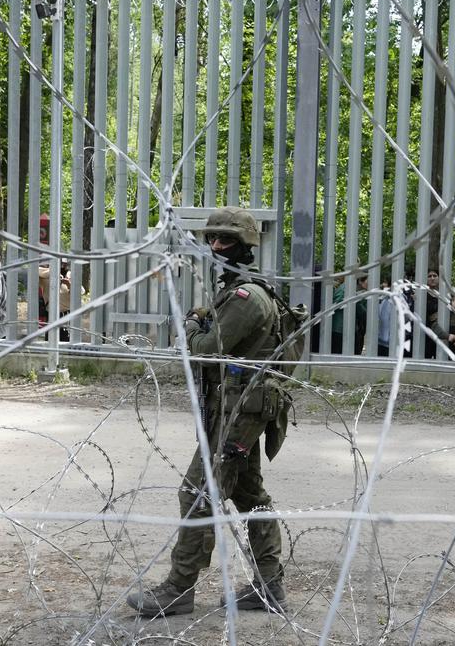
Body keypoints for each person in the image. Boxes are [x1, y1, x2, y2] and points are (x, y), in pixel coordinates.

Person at [127, 207, 289, 618]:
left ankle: (179, 589)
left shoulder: (247, 296)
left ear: (245, 245)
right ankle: (270, 586)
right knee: (249, 494)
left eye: (226, 241)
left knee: (199, 492)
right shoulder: (237, 291)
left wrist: (193, 325)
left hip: (240, 412)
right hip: (237, 408)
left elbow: (204, 349)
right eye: (213, 239)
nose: (216, 246)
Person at [37, 213, 72, 342]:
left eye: (64, 264)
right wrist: (54, 273)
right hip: (53, 315)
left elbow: (81, 292)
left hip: (67, 316)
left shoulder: (70, 275)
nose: (63, 266)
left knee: (67, 346)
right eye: (60, 263)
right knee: (51, 343)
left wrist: (68, 284)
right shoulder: (47, 275)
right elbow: (35, 271)